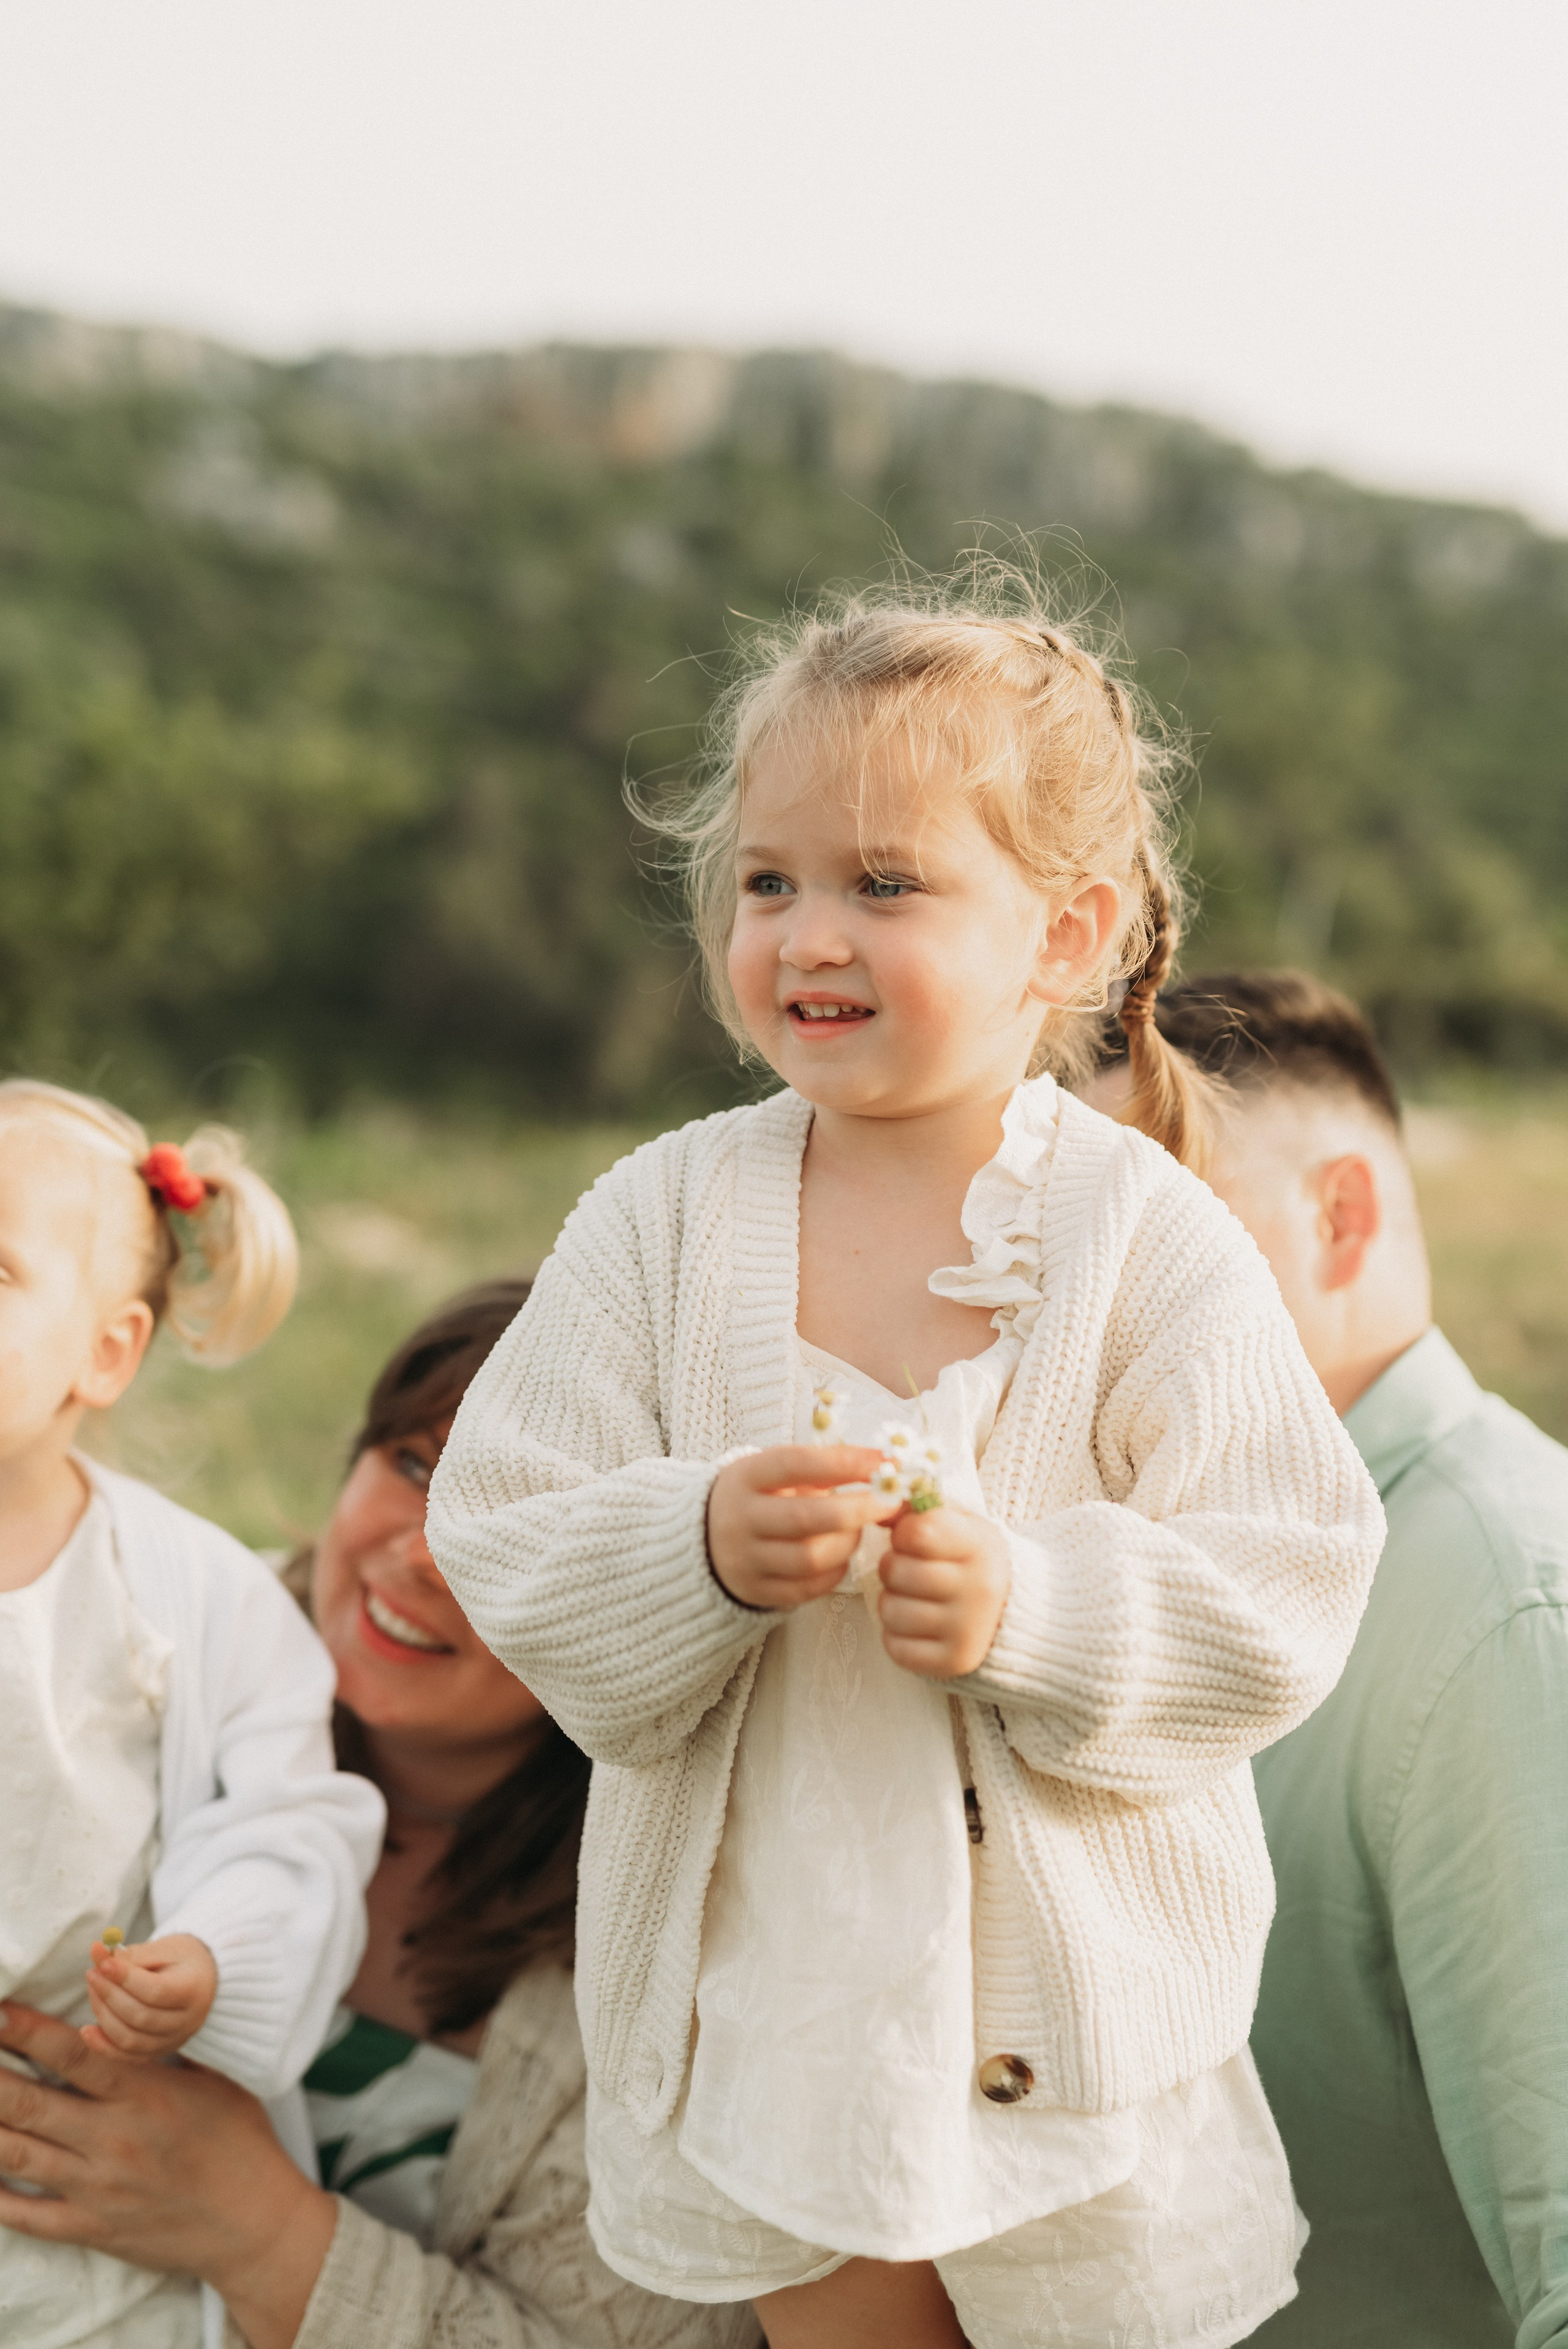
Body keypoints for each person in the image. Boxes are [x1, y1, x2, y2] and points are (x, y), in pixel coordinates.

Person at [425, 575, 1385, 2349]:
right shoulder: (658, 1220)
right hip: (783, 2015)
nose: (806, 933)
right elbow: (507, 1518)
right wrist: (698, 1542)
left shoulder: (1143, 1240)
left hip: (1076, 2039)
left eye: (886, 883)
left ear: (1067, 932)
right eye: (770, 879)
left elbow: (1286, 1566)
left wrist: (1036, 1604)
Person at [0, 1280, 758, 2349]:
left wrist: (256, 2232)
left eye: (521, 1519)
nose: (425, 1551)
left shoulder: (689, 1948)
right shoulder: (133, 1651)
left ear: (633, 1599)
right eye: (413, 1466)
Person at [1087, 968, 1568, 2347]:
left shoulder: (1502, 1603)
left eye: (1160, 1229)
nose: (1095, 1305)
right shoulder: (1177, 1581)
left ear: (1338, 1216)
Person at [0, 1078, 385, 2349]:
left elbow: (288, 1817)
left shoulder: (186, 1596)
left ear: (105, 1351)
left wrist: (217, 1956)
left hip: (81, 2177)